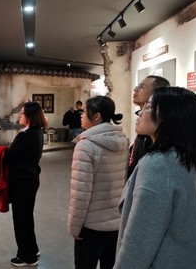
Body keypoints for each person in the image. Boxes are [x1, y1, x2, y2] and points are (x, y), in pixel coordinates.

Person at [114, 87, 196, 268]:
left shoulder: (159, 165)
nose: (140, 112)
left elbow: (138, 242)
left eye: (148, 107)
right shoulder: (188, 158)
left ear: (168, 116)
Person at [68, 96, 128, 269]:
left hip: (91, 226)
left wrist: (74, 227)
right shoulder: (123, 141)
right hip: (115, 222)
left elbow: (81, 193)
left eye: (85, 112)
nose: (81, 115)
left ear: (96, 116)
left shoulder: (85, 146)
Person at [3, 101, 46, 267]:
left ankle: (27, 257)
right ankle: (32, 249)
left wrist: (8, 147)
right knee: (27, 217)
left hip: (22, 182)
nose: (20, 116)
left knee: (21, 219)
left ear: (29, 116)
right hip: (30, 179)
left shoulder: (25, 136)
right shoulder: (37, 132)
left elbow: (9, 156)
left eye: (22, 113)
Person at [127, 74, 170, 178]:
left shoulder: (158, 131)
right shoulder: (145, 127)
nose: (135, 89)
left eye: (141, 86)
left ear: (158, 93)